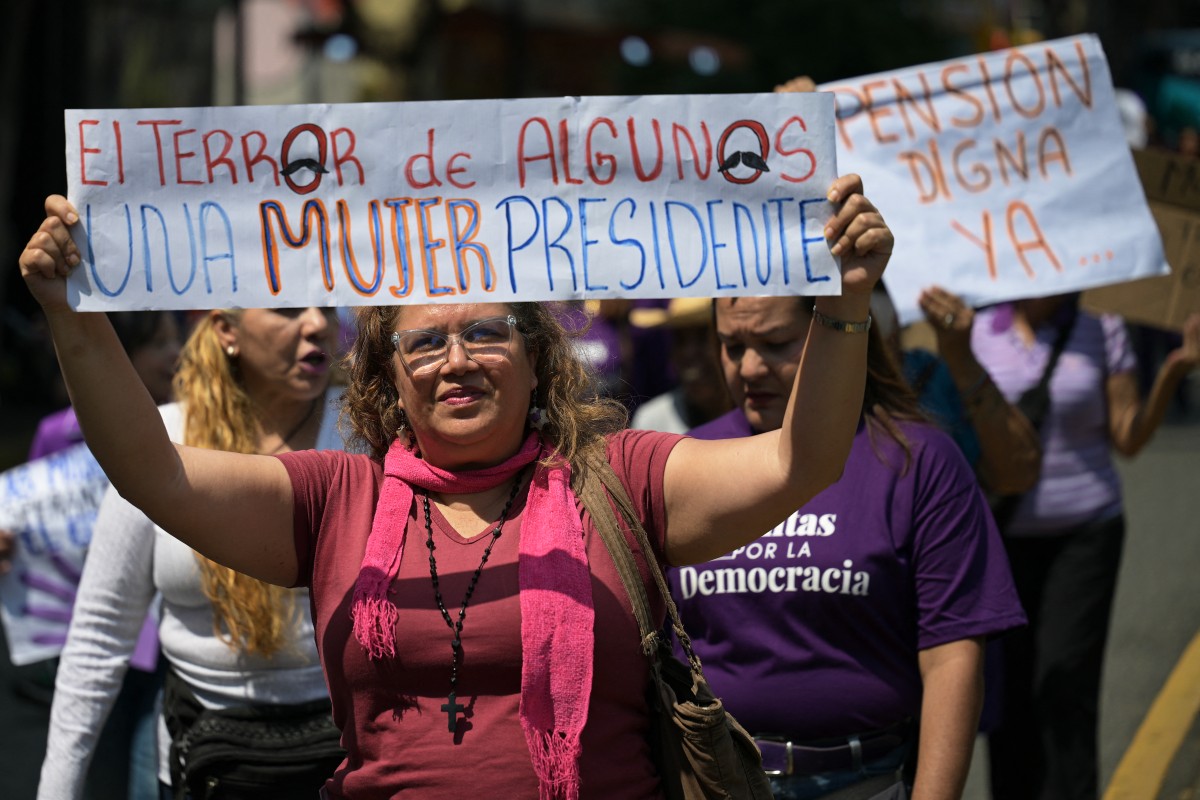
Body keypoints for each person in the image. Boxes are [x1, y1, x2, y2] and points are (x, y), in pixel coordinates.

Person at [20, 174, 890, 799]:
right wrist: (73, 315)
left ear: (539, 355)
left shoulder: (618, 479)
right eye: (424, 345)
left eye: (487, 333)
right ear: (386, 380)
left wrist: (844, 304)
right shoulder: (336, 500)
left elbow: (796, 463)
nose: (457, 362)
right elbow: (152, 473)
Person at [672, 295, 1027, 800]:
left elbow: (952, 654)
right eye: (732, 345)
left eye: (775, 344)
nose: (749, 367)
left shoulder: (917, 461)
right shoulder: (685, 461)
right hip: (711, 781)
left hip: (864, 781)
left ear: (839, 334)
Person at [37, 305, 345, 800]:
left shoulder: (372, 433)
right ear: (227, 330)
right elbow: (100, 633)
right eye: (288, 309)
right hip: (198, 766)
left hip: (350, 764)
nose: (316, 324)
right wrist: (58, 786)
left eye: (326, 306)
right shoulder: (157, 441)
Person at [924, 290, 1200, 800]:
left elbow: (1130, 437)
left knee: (1064, 685)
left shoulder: (1104, 329)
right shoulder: (973, 330)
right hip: (999, 543)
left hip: (1085, 536)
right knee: (1008, 697)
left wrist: (1174, 371)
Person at [2, 310, 182, 800]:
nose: (175, 354)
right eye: (157, 343)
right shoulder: (58, 434)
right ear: (116, 354)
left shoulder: (194, 427)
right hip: (96, 646)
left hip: (168, 651)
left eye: (175, 339)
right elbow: (34, 522)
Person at [629, 297, 730, 434]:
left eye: (703, 337)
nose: (689, 352)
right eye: (680, 339)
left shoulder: (758, 414)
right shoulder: (652, 423)